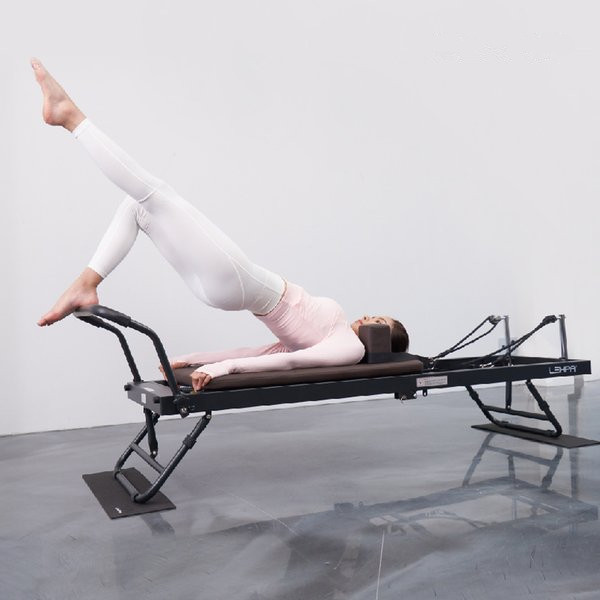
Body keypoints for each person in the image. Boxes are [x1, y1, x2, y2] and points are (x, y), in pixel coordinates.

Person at [31, 59, 409, 391]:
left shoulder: (350, 348)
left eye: (378, 323)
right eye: (376, 313)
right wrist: (195, 359)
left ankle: (71, 118)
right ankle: (86, 284)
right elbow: (268, 351)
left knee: (154, 194)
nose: (368, 318)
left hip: (241, 281)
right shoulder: (335, 336)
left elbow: (290, 363)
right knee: (138, 208)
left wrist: (224, 368)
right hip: (227, 288)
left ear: (380, 343)